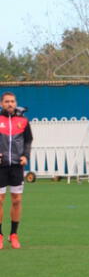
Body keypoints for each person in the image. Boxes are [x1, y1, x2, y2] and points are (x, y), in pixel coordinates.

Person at [0, 92, 33, 250]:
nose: (10, 104)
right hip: (1, 166)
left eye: (12, 101)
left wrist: (26, 156)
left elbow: (28, 140)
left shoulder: (24, 121)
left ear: (16, 103)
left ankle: (13, 234)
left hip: (17, 166)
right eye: (6, 101)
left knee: (17, 200)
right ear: (1, 104)